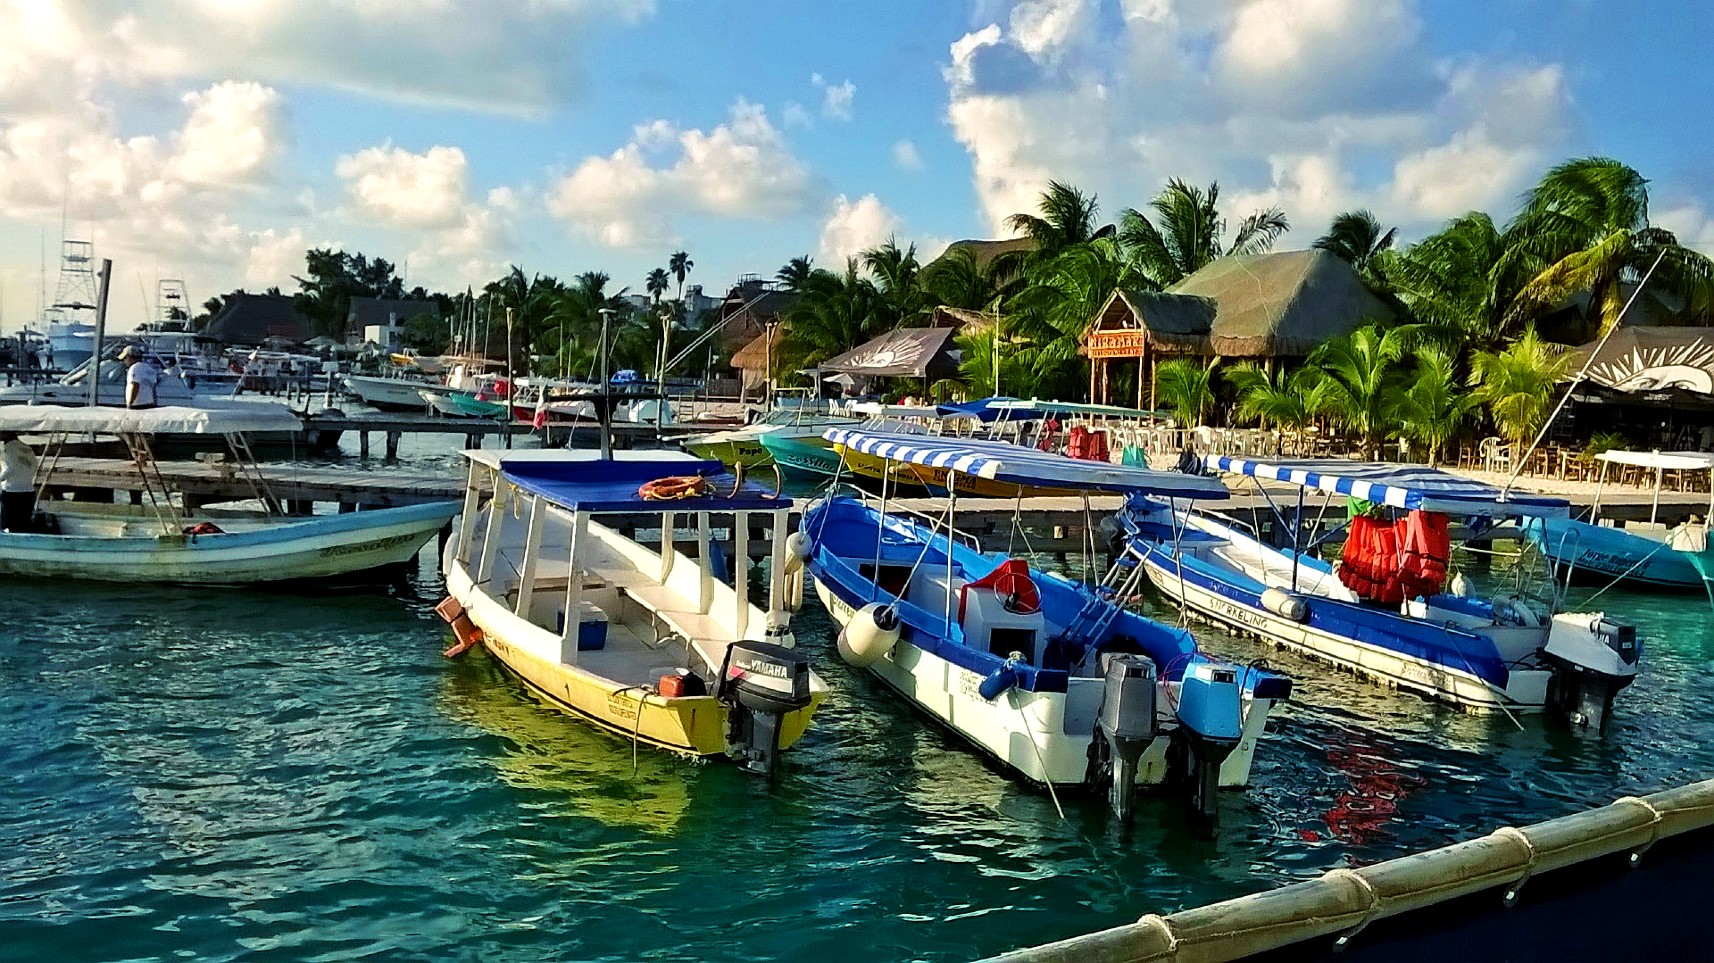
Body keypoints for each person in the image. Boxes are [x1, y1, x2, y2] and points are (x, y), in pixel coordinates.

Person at [0, 431, 38, 533]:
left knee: (8, 526)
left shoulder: (7, 449)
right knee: (23, 525)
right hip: (28, 490)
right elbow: (34, 467)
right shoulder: (28, 448)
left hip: (11, 491)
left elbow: (10, 469)